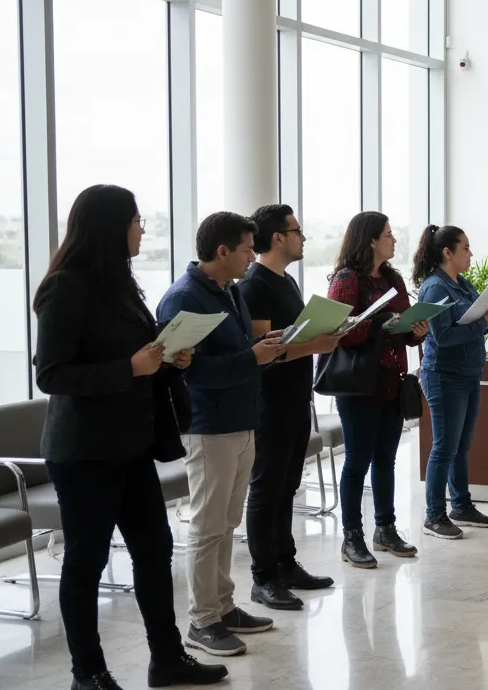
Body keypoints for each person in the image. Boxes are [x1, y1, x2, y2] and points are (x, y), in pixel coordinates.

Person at [33, 185, 228, 690]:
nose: (143, 230)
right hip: (85, 452)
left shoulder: (120, 282)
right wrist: (130, 367)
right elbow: (51, 374)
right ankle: (88, 674)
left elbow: (139, 356)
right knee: (87, 562)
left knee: (154, 550)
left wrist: (167, 359)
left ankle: (167, 659)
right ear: (109, 226)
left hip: (131, 445)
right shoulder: (65, 287)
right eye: (137, 221)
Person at [157, 212, 287, 657]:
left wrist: (263, 348)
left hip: (241, 418)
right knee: (207, 524)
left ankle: (224, 606)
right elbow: (189, 372)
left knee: (228, 522)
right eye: (247, 249)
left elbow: (235, 352)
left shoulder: (228, 290)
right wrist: (253, 357)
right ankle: (202, 620)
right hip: (209, 425)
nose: (252, 257)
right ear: (222, 251)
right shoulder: (184, 298)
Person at [237, 205, 340, 610]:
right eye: (297, 231)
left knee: (288, 486)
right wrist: (315, 345)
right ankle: (263, 577)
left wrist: (323, 334)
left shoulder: (287, 281)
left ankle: (285, 563)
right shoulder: (254, 286)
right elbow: (264, 353)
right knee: (266, 489)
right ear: (278, 238)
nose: (302, 238)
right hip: (270, 402)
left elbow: (292, 338)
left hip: (296, 399)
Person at [326, 212, 428, 567]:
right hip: (359, 385)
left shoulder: (392, 278)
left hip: (392, 381)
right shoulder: (346, 280)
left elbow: (404, 329)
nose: (394, 240)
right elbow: (340, 333)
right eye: (388, 234)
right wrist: (380, 324)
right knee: (357, 461)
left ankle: (385, 529)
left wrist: (416, 331)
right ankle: (351, 537)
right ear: (371, 240)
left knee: (386, 459)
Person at [413, 224, 488, 540]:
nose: (471, 253)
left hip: (468, 374)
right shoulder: (435, 288)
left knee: (461, 447)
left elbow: (476, 324)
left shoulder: (462, 284)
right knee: (444, 448)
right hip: (444, 376)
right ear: (447, 253)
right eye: (465, 248)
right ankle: (434, 515)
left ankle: (461, 506)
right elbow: (444, 336)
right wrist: (484, 322)